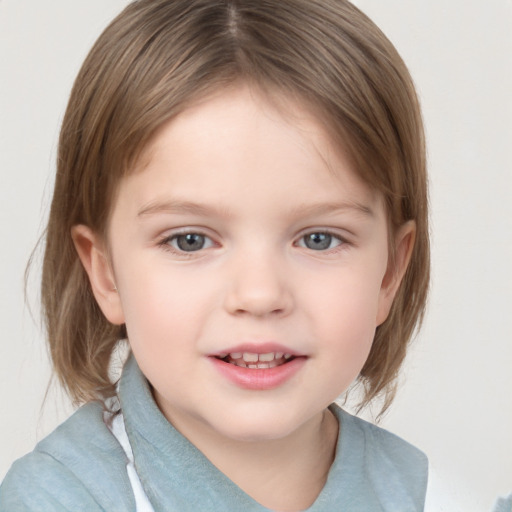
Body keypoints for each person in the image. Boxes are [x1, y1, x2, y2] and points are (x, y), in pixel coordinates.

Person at [0, 1, 432, 510]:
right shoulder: (54, 501)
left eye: (319, 238)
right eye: (190, 240)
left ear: (390, 272)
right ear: (106, 273)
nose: (260, 294)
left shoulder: (433, 496)